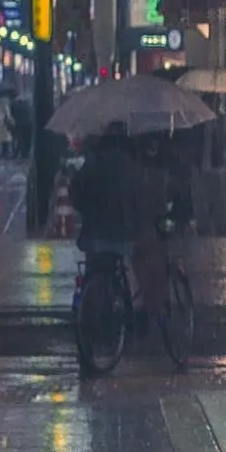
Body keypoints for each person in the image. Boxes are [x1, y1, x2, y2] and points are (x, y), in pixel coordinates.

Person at [69, 124, 169, 319]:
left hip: (93, 235)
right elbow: (143, 202)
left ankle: (92, 314)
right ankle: (152, 310)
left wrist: (89, 212)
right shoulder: (133, 167)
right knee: (147, 255)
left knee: (97, 267)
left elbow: (76, 192)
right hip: (124, 234)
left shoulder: (93, 163)